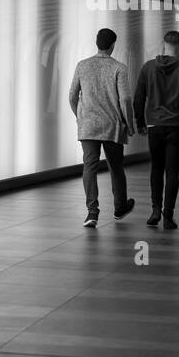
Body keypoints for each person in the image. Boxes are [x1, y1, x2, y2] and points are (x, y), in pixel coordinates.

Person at [133, 29, 179, 229]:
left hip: (155, 125)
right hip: (178, 126)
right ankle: (168, 216)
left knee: (156, 168)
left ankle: (155, 209)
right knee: (172, 171)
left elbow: (139, 98)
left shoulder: (148, 68)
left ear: (164, 45)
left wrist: (140, 122)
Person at [69, 27, 136, 227]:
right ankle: (120, 208)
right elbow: (125, 98)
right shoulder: (119, 68)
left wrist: (80, 117)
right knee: (116, 167)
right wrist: (129, 124)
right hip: (112, 125)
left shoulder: (82, 65)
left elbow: (72, 95)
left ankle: (92, 213)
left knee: (89, 166)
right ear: (113, 45)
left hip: (88, 126)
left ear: (96, 43)